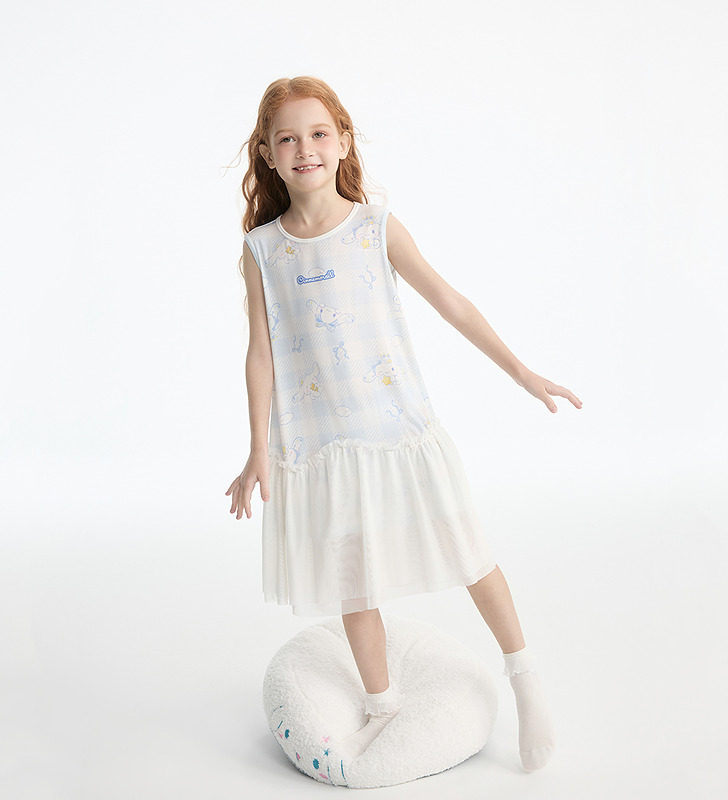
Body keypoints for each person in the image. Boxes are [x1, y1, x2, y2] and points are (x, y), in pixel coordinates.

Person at [225, 76, 582, 771]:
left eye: (318, 133)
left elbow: (451, 302)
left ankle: (524, 675)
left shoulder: (375, 226)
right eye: (287, 138)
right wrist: (257, 450)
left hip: (399, 432)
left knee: (471, 557)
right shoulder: (262, 248)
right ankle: (381, 703)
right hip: (324, 446)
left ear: (344, 140)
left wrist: (522, 372)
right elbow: (260, 351)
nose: (305, 148)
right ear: (267, 153)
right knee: (353, 584)